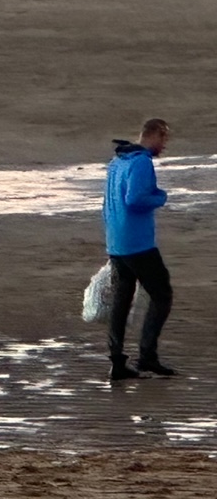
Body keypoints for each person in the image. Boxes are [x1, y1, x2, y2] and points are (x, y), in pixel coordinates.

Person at [102, 118, 174, 381]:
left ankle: (117, 361)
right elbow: (135, 199)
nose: (164, 145)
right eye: (164, 139)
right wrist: (160, 196)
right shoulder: (141, 161)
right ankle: (147, 357)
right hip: (137, 243)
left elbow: (111, 200)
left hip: (117, 242)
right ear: (154, 134)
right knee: (162, 293)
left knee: (122, 300)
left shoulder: (117, 161)